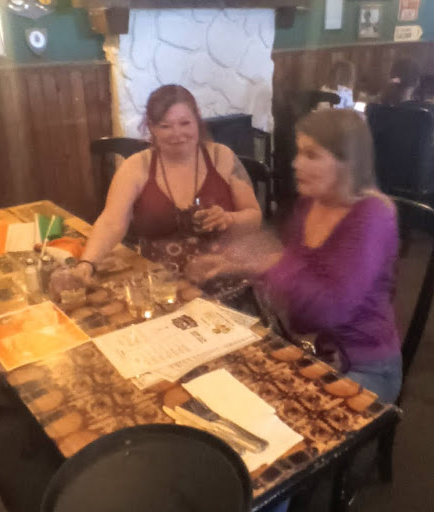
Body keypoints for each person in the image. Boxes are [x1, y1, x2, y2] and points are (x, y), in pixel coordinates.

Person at [188, 109, 403, 404]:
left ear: (348, 162)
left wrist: (271, 262)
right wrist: (236, 263)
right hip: (312, 348)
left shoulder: (372, 216)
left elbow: (329, 309)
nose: (296, 163)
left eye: (312, 155)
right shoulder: (309, 204)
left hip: (363, 366)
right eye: (299, 152)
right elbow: (296, 276)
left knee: (267, 415)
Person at [72, 85, 261, 281]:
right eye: (165, 126)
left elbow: (254, 217)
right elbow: (111, 223)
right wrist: (87, 263)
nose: (177, 133)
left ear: (197, 121)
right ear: (152, 128)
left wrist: (229, 219)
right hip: (161, 284)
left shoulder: (221, 157)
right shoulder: (136, 166)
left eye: (185, 123)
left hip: (223, 276)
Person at [381, 58, 434, 185]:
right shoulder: (429, 111)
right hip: (418, 178)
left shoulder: (376, 108)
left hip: (383, 174)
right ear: (417, 83)